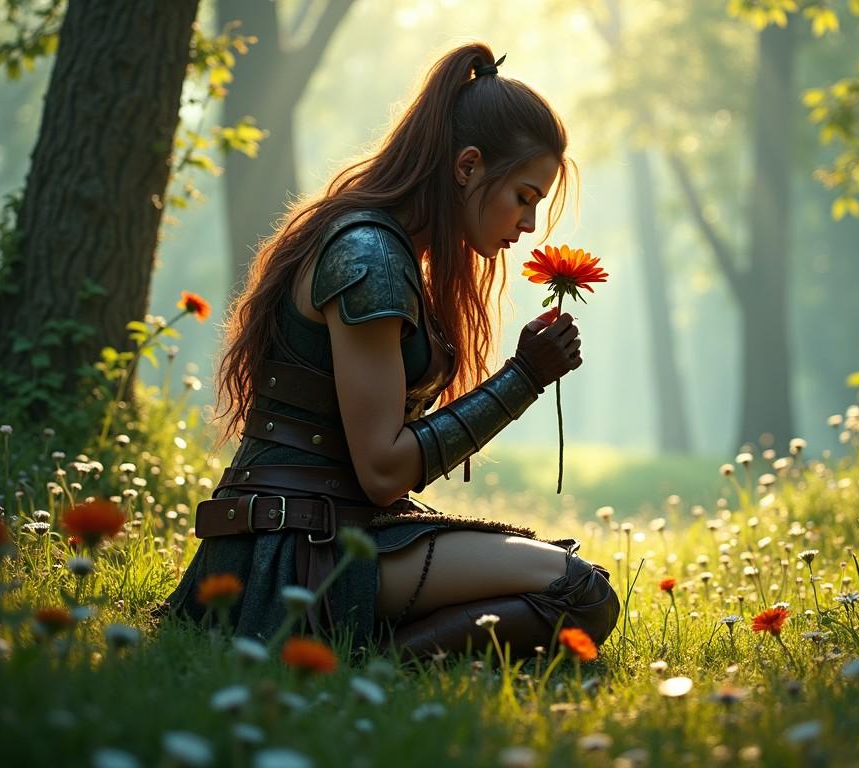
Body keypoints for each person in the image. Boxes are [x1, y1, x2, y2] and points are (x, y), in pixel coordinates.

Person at [165, 43, 619, 658]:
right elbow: (382, 471)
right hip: (294, 555)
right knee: (580, 593)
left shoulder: (388, 247)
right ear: (467, 167)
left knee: (575, 584)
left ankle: (358, 654)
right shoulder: (370, 256)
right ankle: (368, 668)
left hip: (326, 536)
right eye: (524, 196)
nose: (531, 225)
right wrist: (524, 378)